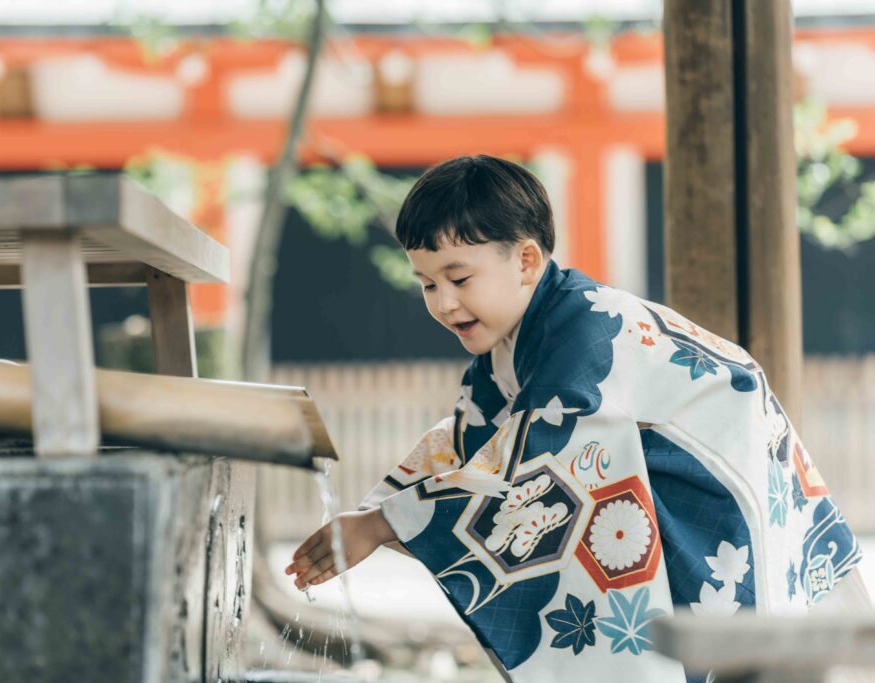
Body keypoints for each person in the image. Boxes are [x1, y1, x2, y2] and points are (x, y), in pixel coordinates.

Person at [284, 155, 867, 682]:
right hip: (705, 490)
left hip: (727, 502)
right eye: (427, 284)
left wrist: (387, 521)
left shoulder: (589, 331)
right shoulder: (515, 348)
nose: (443, 302)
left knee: (724, 639)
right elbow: (470, 443)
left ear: (527, 261)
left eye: (459, 279)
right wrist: (373, 514)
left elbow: (539, 464)